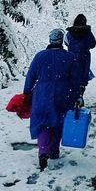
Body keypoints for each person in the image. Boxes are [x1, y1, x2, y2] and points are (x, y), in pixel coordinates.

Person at [23, 28, 84, 171]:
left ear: (50, 40)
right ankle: (54, 151)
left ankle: (43, 151)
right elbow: (76, 80)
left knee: (43, 123)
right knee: (58, 122)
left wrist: (26, 92)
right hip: (63, 94)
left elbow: (31, 76)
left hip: (42, 94)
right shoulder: (69, 57)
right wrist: (77, 95)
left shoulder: (40, 56)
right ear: (61, 41)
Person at [64, 14, 96, 91]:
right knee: (83, 75)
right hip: (84, 56)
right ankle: (80, 94)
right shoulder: (88, 33)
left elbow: (66, 43)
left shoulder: (69, 33)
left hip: (72, 57)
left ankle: (72, 93)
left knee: (72, 74)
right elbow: (93, 44)